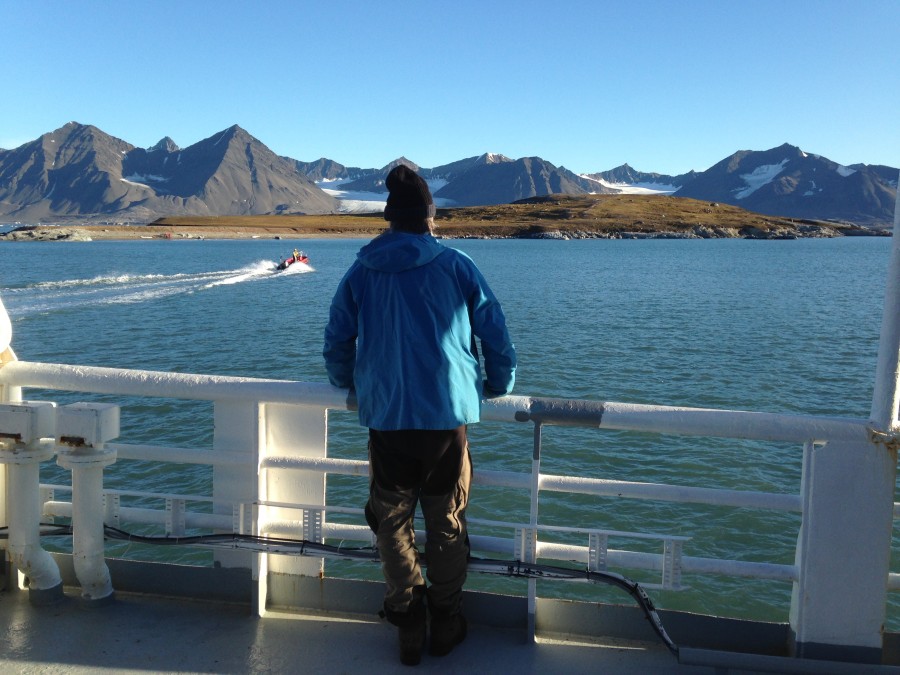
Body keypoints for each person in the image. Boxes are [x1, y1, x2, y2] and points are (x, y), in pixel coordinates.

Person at [323, 165, 516, 666]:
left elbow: (338, 337)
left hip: (387, 417)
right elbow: (495, 333)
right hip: (446, 419)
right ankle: (446, 621)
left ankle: (408, 621)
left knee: (391, 522)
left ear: (390, 220)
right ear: (430, 217)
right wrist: (499, 385)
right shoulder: (456, 265)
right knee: (446, 522)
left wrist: (348, 382)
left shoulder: (362, 270)